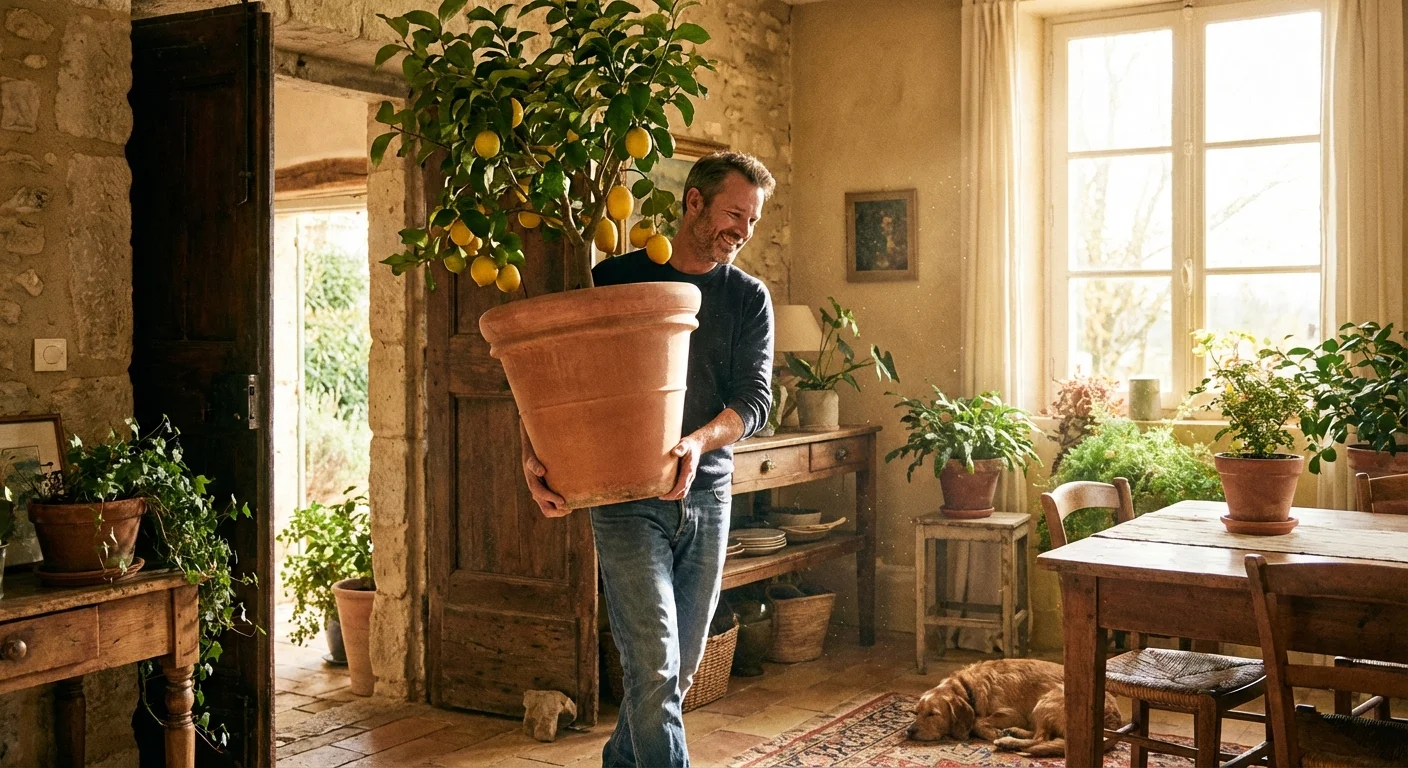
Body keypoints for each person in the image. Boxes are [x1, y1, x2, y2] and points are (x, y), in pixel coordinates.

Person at [520, 151, 776, 767]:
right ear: (694, 202)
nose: (742, 232)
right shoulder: (616, 278)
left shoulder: (748, 298)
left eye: (752, 221)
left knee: (677, 674)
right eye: (734, 214)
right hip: (624, 496)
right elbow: (556, 377)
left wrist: (697, 442)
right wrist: (534, 454)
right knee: (656, 668)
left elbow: (755, 401)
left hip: (707, 493)